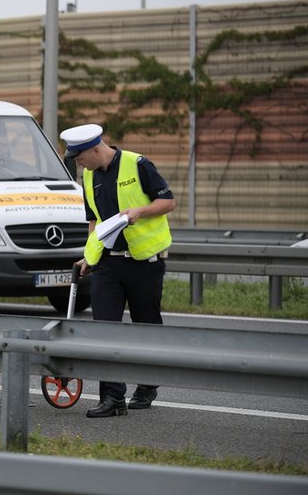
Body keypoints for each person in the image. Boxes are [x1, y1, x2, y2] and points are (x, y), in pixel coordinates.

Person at [61, 123, 175, 418]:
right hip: (109, 263)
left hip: (144, 262)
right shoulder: (88, 176)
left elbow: (168, 201)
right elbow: (94, 222)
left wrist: (139, 211)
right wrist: (89, 257)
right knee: (104, 327)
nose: (78, 163)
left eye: (80, 157)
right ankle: (113, 398)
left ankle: (148, 385)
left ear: (96, 149)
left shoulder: (138, 165)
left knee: (146, 326)